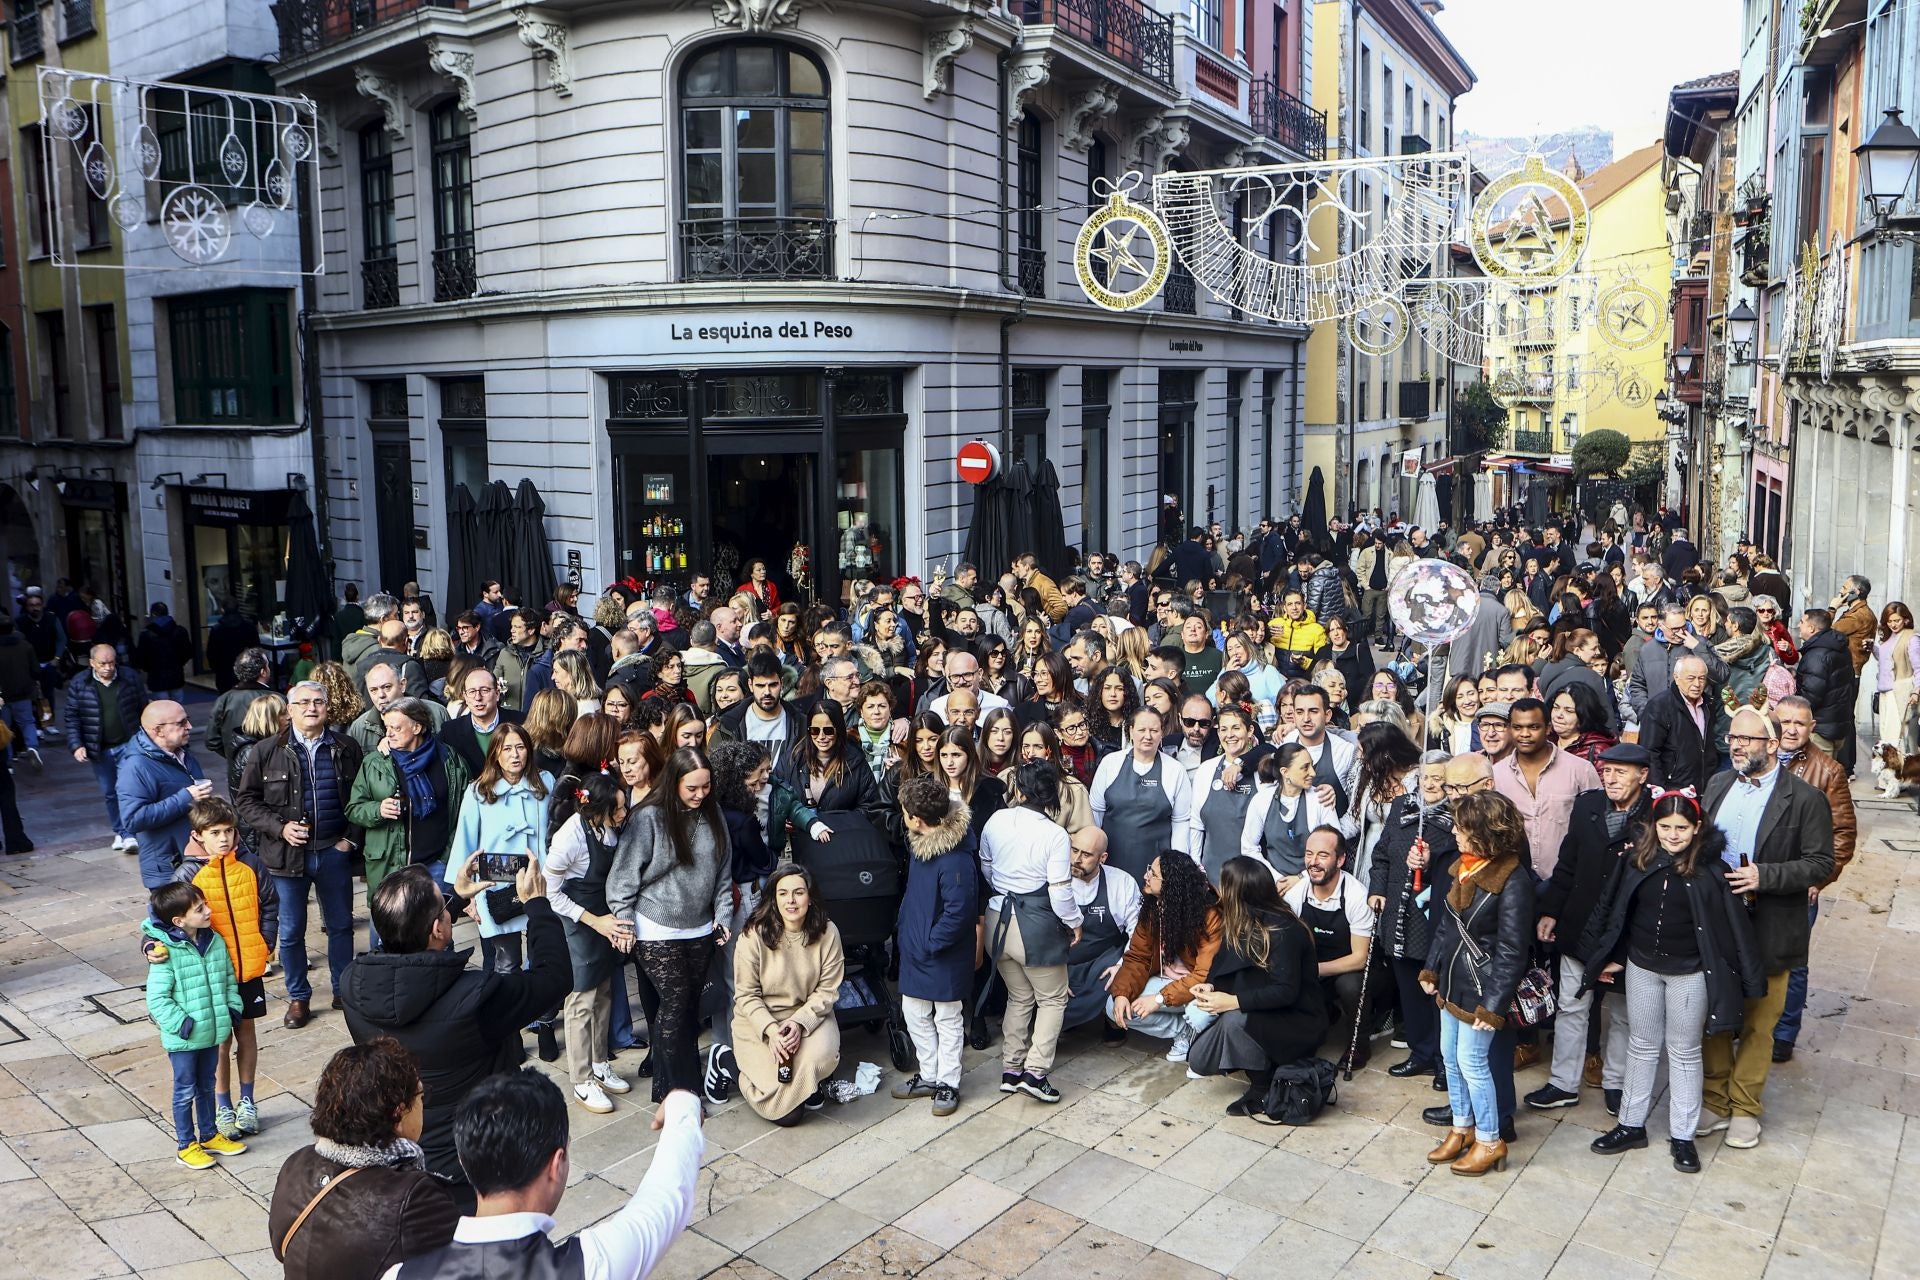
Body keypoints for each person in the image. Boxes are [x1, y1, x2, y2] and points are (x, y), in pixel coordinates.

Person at [341, 858, 571, 1208]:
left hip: (410, 1152)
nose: (449, 910)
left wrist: (455, 899)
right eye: (444, 907)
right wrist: (537, 904)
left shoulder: (353, 986)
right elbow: (555, 978)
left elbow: (405, 956)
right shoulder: (475, 998)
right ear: (437, 929)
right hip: (477, 1156)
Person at [1580, 788, 1766, 1174]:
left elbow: (1732, 930)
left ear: (1697, 828)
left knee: (1683, 1052)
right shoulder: (1635, 861)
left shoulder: (1712, 871)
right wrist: (1608, 956)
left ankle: (1683, 1136)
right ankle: (1631, 1125)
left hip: (1691, 973)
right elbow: (1615, 912)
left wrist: (1744, 980)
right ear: (1654, 826)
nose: (1673, 835)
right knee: (1642, 1046)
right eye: (1665, 827)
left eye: (1682, 827)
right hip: (1642, 967)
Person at [382, 1071, 701, 1280]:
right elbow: (665, 1198)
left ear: (464, 1161)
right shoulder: (590, 1266)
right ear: (556, 1163)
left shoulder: (398, 1275)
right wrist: (683, 1105)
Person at [1697, 707, 1833, 1150]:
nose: (1736, 745)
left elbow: (1820, 863)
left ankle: (1745, 1105)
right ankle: (1715, 1101)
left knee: (1760, 1022)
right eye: (1732, 736)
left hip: (1772, 924)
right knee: (1715, 1015)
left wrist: (1764, 876)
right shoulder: (1717, 784)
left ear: (1772, 746)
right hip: (1720, 922)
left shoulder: (1806, 799)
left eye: (1748, 739)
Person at [1527, 742, 1650, 1114]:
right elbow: (1568, 862)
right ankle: (1563, 1082)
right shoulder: (1587, 805)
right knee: (1570, 1005)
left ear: (1642, 775)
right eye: (1607, 771)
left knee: (1622, 1012)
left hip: (1628, 931)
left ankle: (1616, 1083)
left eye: (1620, 772)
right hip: (1580, 923)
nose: (1611, 779)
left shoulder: (1657, 816)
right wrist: (1552, 910)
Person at [270, 1038, 458, 1280]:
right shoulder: (413, 1196)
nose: (423, 1105)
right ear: (398, 1112)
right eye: (420, 1097)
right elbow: (459, 1267)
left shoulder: (296, 1164)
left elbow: (281, 1249)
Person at [235, 679, 365, 1027]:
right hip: (285, 857)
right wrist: (279, 828)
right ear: (289, 710)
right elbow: (246, 801)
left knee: (341, 926)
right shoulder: (265, 751)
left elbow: (361, 795)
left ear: (327, 707)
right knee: (290, 931)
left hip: (333, 851)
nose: (312, 708)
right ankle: (298, 997)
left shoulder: (346, 746)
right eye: (304, 702)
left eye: (318, 701)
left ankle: (343, 989)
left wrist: (349, 841)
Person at [607, 747, 732, 1102]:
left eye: (706, 786)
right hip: (655, 925)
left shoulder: (714, 813)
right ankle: (683, 1092)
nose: (700, 795)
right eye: (692, 788)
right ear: (674, 782)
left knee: (689, 1006)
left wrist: (722, 916)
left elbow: (724, 873)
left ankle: (668, 1089)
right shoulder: (648, 818)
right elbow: (622, 879)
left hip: (699, 925)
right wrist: (624, 923)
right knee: (676, 1002)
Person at [1420, 790, 1534, 1177]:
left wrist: (1495, 1004)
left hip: (1482, 989)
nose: (1453, 832)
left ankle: (1489, 1139)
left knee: (1473, 1063)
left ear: (1484, 833)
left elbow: (1514, 950)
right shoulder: (1463, 866)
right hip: (1452, 983)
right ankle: (1462, 1128)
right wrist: (1431, 969)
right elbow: (1446, 928)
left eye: (1462, 827)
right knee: (1451, 1059)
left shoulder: (1514, 880)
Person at [161, 797, 278, 1141]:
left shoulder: (251, 863)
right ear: (199, 835)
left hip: (249, 968)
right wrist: (151, 947)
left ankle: (247, 1101)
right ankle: (223, 1104)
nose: (225, 838)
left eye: (229, 831)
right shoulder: (189, 872)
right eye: (215, 832)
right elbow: (162, 919)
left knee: (248, 1035)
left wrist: (265, 942)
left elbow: (270, 903)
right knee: (220, 1041)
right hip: (214, 973)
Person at [1185, 857, 1329, 1118]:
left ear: (1239, 892)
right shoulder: (1239, 919)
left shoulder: (1284, 929)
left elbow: (1286, 991)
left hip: (1297, 1017)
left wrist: (1232, 1002)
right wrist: (1210, 986)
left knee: (1233, 1023)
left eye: (1224, 883)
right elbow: (1221, 964)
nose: (1219, 888)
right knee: (1198, 1059)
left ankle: (1262, 1087)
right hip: (1260, 1006)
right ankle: (1257, 1059)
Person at [710, 864, 845, 1124]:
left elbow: (828, 989)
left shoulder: (828, 933)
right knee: (788, 1114)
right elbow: (746, 995)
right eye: (783, 893)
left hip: (808, 1016)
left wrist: (798, 1022)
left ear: (810, 897)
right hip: (760, 1021)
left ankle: (806, 1082)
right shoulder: (753, 935)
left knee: (824, 1057)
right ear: (773, 898)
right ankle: (726, 1061)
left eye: (798, 892)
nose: (791, 901)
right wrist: (772, 1031)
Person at [980, 760, 1081, 1103]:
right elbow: (1060, 893)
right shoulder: (1055, 834)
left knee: (1019, 997)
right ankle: (1035, 1074)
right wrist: (1074, 922)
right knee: (1052, 999)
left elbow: (987, 867)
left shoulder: (996, 819)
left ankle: (1011, 1069)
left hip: (998, 918)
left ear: (1018, 790)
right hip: (1034, 924)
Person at [542, 772, 639, 1112]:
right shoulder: (570, 837)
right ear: (596, 809)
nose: (625, 814)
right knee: (581, 1000)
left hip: (604, 916)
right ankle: (581, 1080)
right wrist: (594, 921)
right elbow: (551, 893)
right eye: (619, 809)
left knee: (604, 991)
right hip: (578, 922)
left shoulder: (607, 827)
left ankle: (600, 1063)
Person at [1771, 696, 1856, 1062]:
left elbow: (1843, 834)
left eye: (1799, 724)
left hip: (1798, 883)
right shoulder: (1759, 757)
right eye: (1785, 721)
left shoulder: (1828, 771)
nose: (1791, 729)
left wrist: (1818, 880)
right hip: (1757, 877)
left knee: (1793, 962)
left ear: (1811, 728)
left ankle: (1784, 1033)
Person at [890, 776, 980, 1116]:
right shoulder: (921, 844)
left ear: (916, 819)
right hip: (917, 949)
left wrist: (930, 943)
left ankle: (948, 1083)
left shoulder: (955, 858)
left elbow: (960, 912)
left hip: (940, 953)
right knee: (914, 1013)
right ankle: (929, 1075)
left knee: (947, 1017)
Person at [143, 881, 249, 1170]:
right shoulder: (165, 952)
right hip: (185, 1038)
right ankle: (185, 1144)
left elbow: (228, 980)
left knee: (207, 1085)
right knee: (184, 1090)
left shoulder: (213, 940)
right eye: (200, 908)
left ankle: (210, 1135)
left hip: (213, 1032)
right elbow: (157, 999)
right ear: (179, 920)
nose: (208, 911)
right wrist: (182, 1025)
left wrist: (231, 1010)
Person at [1367, 753, 1455, 1083]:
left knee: (1436, 992)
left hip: (1432, 918)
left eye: (1438, 777)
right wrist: (1377, 889)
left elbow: (1460, 868)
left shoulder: (1457, 814)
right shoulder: (1402, 806)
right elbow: (1380, 855)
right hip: (1398, 917)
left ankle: (1445, 1062)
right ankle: (1420, 1053)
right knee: (1409, 990)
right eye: (1426, 777)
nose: (1431, 784)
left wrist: (1431, 862)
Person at [448, 725, 555, 975]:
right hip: (495, 886)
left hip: (540, 883)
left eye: (520, 747)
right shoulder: (478, 791)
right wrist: (469, 895)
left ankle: (542, 1014)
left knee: (544, 958)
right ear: (495, 753)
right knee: (506, 963)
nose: (515, 755)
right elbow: (464, 844)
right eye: (507, 748)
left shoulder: (545, 782)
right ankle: (512, 1013)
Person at [347, 698, 473, 906]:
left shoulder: (449, 760)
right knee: (384, 935)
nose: (388, 734)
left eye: (396, 728)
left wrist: (447, 856)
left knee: (436, 932)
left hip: (436, 865)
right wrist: (378, 809)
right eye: (386, 727)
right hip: (390, 866)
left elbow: (464, 814)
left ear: (417, 727)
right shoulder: (376, 762)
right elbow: (354, 808)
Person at [1107, 852, 1223, 1062]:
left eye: (1153, 873)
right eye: (1148, 868)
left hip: (1203, 987)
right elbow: (1137, 957)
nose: (1145, 875)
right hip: (1168, 981)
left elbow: (1204, 975)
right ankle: (1185, 1032)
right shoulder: (1153, 906)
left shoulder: (1209, 915)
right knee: (1114, 1006)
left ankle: (1203, 1028)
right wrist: (1122, 992)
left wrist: (1159, 1000)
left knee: (1199, 1013)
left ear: (1172, 884)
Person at [1283, 826, 1377, 1071]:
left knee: (1349, 985)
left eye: (1323, 855)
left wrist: (1312, 969)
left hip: (1352, 969)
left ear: (1341, 860)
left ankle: (1359, 1044)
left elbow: (1360, 958)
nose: (1313, 862)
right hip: (1315, 967)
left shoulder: (1356, 896)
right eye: (1309, 854)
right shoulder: (1297, 892)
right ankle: (1324, 1014)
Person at [1493, 697, 1600, 883]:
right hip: (1513, 883)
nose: (1524, 734)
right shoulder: (1496, 775)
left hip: (1568, 882)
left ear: (1548, 728)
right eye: (1517, 727)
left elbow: (1598, 826)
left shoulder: (1580, 770)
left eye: (1533, 727)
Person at [1089, 706, 1193, 884]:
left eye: (1154, 730)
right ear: (1130, 730)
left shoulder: (1175, 770)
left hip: (1155, 867)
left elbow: (1181, 822)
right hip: (1112, 860)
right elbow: (1095, 812)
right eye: (1142, 730)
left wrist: (1176, 868)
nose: (1148, 736)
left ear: (1162, 733)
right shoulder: (1110, 763)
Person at [65, 643, 150, 853]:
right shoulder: (80, 683)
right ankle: (120, 831)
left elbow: (144, 707)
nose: (108, 667)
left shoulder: (129, 678)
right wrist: (77, 745)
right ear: (92, 663)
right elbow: (72, 716)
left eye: (112, 662)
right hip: (100, 748)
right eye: (103, 663)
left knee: (128, 789)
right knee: (110, 792)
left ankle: (130, 833)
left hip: (128, 745)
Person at [120, 700, 213, 889]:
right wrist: (186, 798)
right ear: (158, 730)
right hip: (168, 870)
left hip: (194, 861)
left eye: (188, 720)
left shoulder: (184, 755)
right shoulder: (136, 767)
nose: (189, 727)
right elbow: (133, 819)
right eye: (181, 723)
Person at [1239, 742, 1346, 885]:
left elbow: (1335, 846)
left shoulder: (1320, 798)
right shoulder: (1261, 801)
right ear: (1285, 772)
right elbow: (1249, 848)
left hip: (1314, 883)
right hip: (1275, 885)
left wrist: (1302, 878)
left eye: (1311, 765)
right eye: (1304, 768)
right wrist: (1276, 879)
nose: (1313, 773)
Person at [1792, 608, 1856, 765]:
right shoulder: (1839, 648)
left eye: (1802, 622)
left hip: (1821, 728)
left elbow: (1810, 696)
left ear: (1812, 628)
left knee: (1817, 782)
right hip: (1836, 724)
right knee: (1828, 779)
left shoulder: (1817, 655)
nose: (1798, 625)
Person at [440, 667, 524, 776]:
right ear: (465, 696)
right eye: (472, 691)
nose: (478, 697)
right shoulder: (450, 731)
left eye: (484, 690)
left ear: (497, 694)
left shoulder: (520, 722)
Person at [206, 648, 277, 764]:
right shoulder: (278, 699)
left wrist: (235, 755)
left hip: (238, 769)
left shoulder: (224, 699)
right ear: (263, 672)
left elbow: (211, 739)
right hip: (274, 768)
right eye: (268, 666)